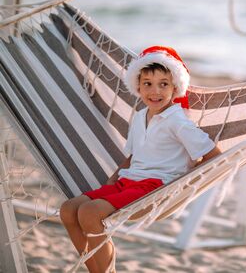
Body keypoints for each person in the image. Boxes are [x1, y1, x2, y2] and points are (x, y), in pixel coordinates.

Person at [59, 46, 221, 273]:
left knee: (90, 213)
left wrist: (185, 180)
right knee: (68, 209)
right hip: (127, 181)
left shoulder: (177, 121)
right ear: (138, 87)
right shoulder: (139, 116)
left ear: (175, 87)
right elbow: (133, 156)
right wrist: (111, 182)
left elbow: (214, 155)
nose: (155, 91)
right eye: (148, 84)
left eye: (163, 84)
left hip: (154, 186)